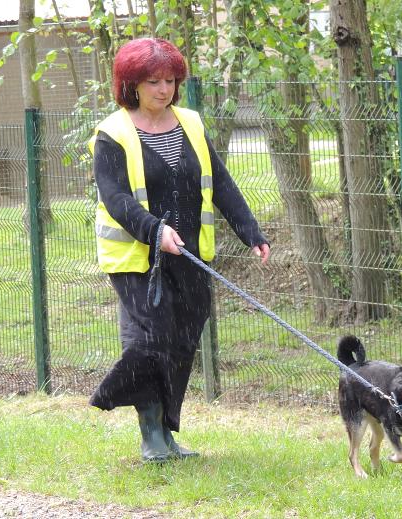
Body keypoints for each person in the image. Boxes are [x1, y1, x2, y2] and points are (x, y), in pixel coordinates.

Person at [88, 38, 270, 462]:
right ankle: (148, 432)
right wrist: (156, 232)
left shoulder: (190, 122)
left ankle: (168, 431)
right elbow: (117, 199)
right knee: (154, 339)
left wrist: (250, 231)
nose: (164, 89)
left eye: (170, 80)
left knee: (183, 340)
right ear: (131, 83)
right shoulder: (112, 134)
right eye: (153, 81)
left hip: (190, 255)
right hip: (137, 258)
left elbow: (220, 182)